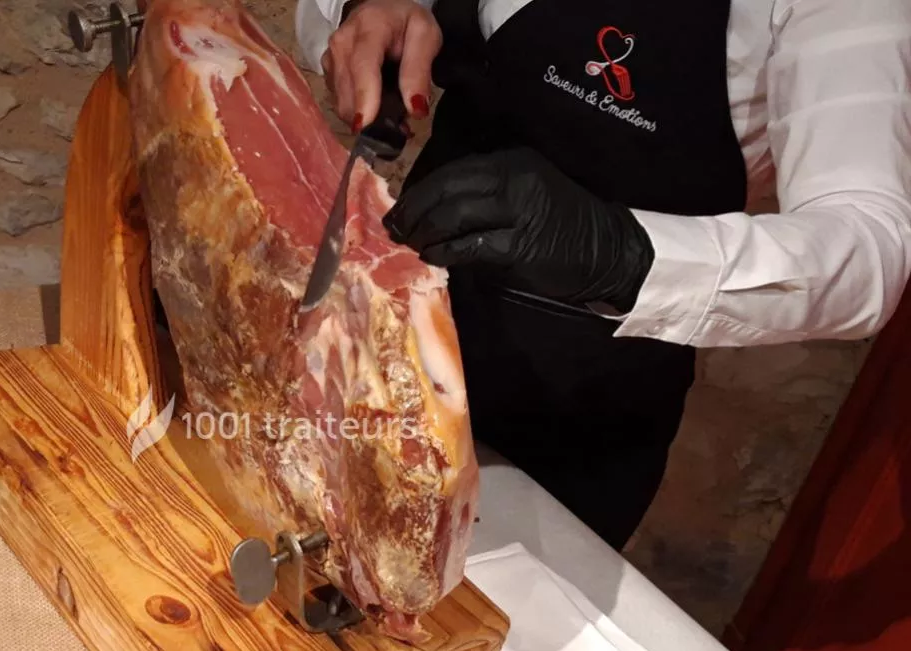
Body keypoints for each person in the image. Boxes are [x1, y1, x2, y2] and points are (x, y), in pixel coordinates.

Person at [295, 0, 911, 550]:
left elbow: (868, 246)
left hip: (566, 422)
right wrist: (364, 12)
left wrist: (622, 253)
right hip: (375, 340)